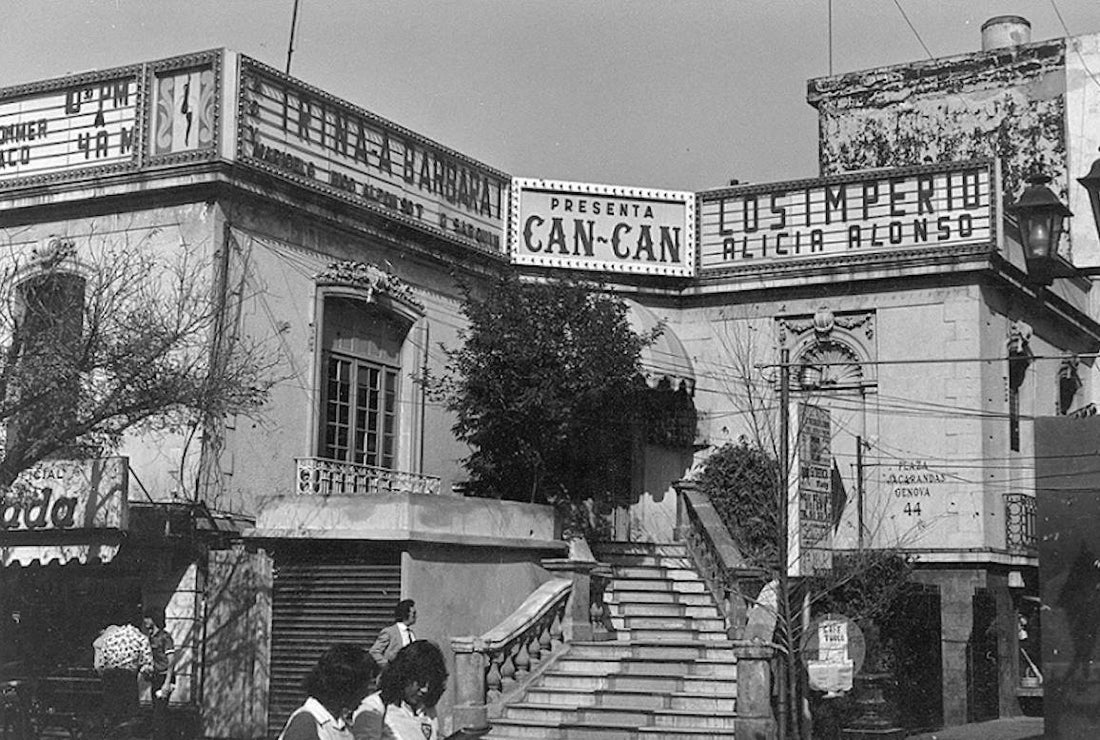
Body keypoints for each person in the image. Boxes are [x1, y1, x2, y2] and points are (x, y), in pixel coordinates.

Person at [352, 640, 448, 740]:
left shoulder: (427, 710)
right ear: (404, 676)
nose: (425, 690)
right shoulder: (375, 707)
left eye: (431, 684)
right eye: (421, 682)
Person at [278, 644, 377, 740]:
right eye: (363, 687)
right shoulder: (306, 723)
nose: (366, 694)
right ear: (345, 688)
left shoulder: (340, 725)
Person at [140, 607, 175, 740]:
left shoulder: (165, 637)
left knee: (159, 714)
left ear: (154, 619)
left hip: (165, 677)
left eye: (147, 618)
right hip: (156, 677)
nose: (145, 621)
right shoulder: (150, 637)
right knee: (157, 711)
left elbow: (171, 661)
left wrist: (167, 682)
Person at [368, 600, 417, 671]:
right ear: (405, 614)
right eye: (414, 614)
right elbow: (374, 651)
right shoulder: (389, 632)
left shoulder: (411, 634)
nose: (416, 617)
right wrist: (387, 666)